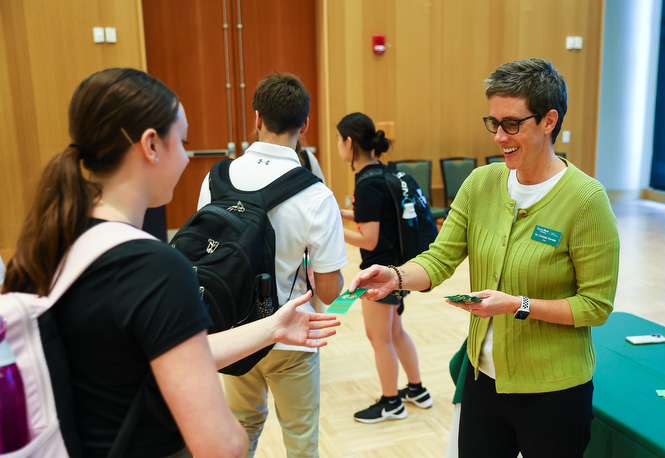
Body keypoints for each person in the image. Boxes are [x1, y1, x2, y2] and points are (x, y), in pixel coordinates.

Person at [0, 68, 341, 458]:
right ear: (151, 145)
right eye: (183, 141)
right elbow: (221, 444)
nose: (185, 156)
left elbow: (155, 353)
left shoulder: (50, 243)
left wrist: (270, 328)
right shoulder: (156, 270)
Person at [348, 59, 620, 457]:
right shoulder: (481, 183)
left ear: (549, 120)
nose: (499, 136)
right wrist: (396, 276)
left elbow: (595, 306)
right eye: (493, 123)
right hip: (483, 379)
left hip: (554, 391)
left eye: (512, 124)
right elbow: (440, 258)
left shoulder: (586, 201)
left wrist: (517, 306)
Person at [198, 73, 347, 458]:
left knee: (240, 432)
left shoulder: (216, 178)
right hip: (292, 333)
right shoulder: (317, 194)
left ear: (257, 118)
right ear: (306, 124)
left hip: (234, 330)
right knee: (300, 440)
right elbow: (330, 292)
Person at [336, 113, 432, 423]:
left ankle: (391, 402)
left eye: (339, 140)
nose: (338, 145)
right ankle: (417, 389)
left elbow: (369, 237)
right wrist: (338, 213)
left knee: (379, 338)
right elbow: (376, 218)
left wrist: (330, 231)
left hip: (381, 273)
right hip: (399, 267)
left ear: (349, 143)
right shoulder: (381, 173)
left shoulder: (366, 183)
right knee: (393, 331)